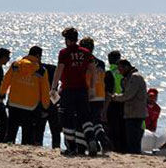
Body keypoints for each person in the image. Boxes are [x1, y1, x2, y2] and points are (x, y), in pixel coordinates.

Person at [51, 27, 97, 156]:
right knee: (85, 117)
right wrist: (92, 88)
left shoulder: (64, 53)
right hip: (83, 90)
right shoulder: (86, 53)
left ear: (67, 39)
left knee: (66, 118)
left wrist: (54, 87)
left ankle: (71, 147)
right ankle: (91, 139)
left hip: (68, 90)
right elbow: (94, 72)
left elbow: (59, 71)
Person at [0, 46, 51, 145]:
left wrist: (2, 93)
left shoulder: (16, 65)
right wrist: (45, 106)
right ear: (37, 56)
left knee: (11, 129)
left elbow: (6, 80)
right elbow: (45, 90)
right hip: (30, 106)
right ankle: (24, 146)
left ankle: (9, 144)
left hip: (14, 102)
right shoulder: (41, 71)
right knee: (28, 132)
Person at [103, 59, 147, 154]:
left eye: (120, 69)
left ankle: (135, 154)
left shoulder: (135, 78)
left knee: (133, 139)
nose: (119, 72)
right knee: (130, 138)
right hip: (131, 112)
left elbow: (128, 95)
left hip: (135, 113)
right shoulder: (129, 78)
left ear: (126, 67)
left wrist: (114, 98)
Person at [79, 37, 111, 152]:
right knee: (96, 121)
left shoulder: (83, 62)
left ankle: (92, 140)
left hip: (88, 94)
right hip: (100, 95)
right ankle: (103, 138)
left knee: (86, 120)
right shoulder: (101, 64)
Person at [34, 62, 62, 149]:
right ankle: (56, 146)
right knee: (55, 129)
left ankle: (38, 144)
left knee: (39, 128)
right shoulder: (53, 69)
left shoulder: (40, 70)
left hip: (43, 100)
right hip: (53, 99)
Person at [103, 50, 125, 153]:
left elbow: (108, 92)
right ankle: (121, 149)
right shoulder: (124, 72)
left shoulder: (109, 73)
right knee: (121, 128)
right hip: (124, 103)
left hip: (112, 103)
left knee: (112, 128)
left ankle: (113, 149)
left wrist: (104, 110)